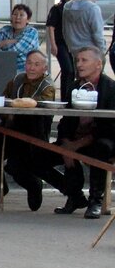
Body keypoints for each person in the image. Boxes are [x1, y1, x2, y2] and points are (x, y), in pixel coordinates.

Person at [28, 47, 115, 219]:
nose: (79, 64)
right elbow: (66, 120)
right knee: (37, 158)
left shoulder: (111, 88)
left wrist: (75, 145)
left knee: (101, 149)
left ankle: (95, 201)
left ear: (98, 64)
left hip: (101, 140)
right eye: (77, 60)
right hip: (74, 141)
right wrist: (65, 143)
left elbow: (109, 128)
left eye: (84, 60)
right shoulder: (75, 86)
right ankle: (74, 195)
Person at [0, 50, 55, 211]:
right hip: (9, 130)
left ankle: (34, 185)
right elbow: (3, 101)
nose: (31, 68)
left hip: (33, 135)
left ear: (44, 68)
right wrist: (7, 114)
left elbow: (42, 106)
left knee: (16, 167)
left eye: (36, 64)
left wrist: (17, 108)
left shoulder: (47, 86)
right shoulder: (16, 80)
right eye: (29, 63)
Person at [63, 0, 105, 66]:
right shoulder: (93, 8)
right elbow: (97, 34)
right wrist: (102, 52)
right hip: (92, 54)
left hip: (75, 53)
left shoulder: (67, 6)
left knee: (81, 78)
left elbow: (65, 31)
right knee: (94, 79)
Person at [0, 4, 40, 74]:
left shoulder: (32, 32)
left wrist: (1, 45)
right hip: (4, 68)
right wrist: (8, 42)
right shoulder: (5, 29)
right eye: (15, 14)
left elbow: (14, 51)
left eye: (21, 15)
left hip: (26, 70)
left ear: (28, 19)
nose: (17, 17)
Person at [46, 0, 74, 90]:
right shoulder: (57, 8)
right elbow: (50, 27)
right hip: (60, 42)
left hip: (72, 44)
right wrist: (53, 45)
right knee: (67, 69)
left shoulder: (74, 8)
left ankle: (69, 95)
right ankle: (64, 96)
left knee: (73, 71)